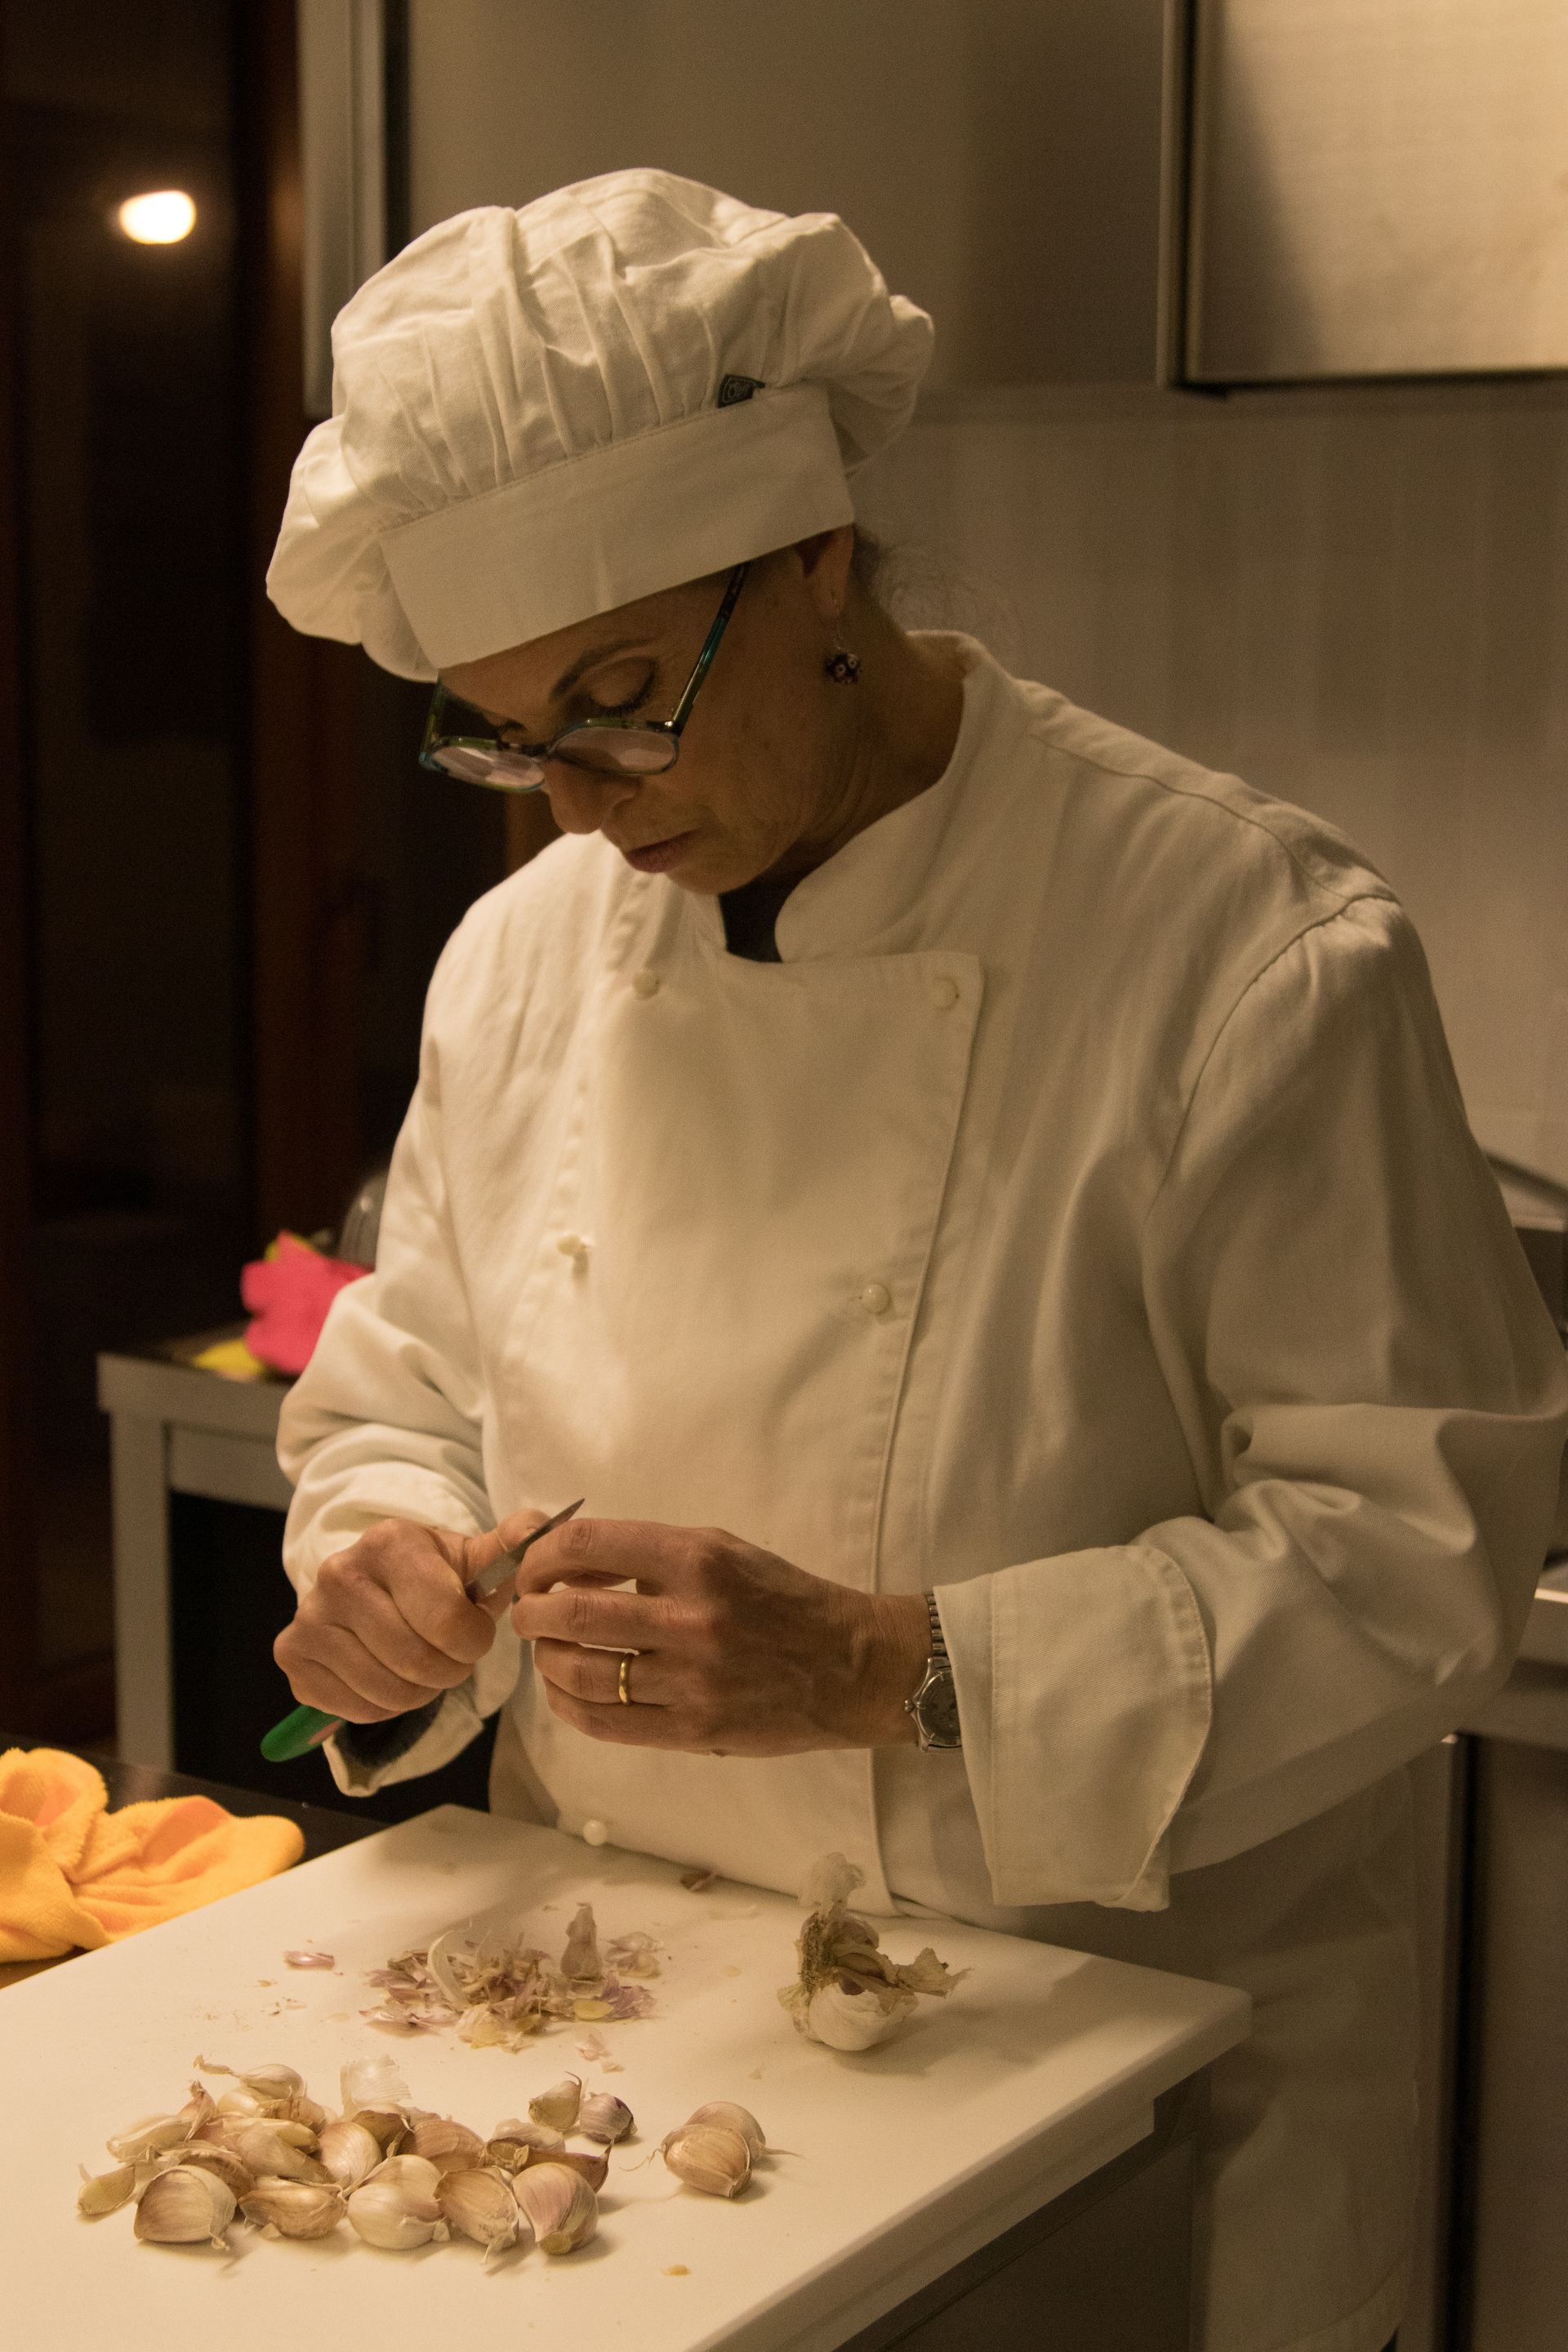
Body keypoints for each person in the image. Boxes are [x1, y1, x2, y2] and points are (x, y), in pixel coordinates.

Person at [265, 170, 1568, 2352]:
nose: (574, 801)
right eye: (504, 729)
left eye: (616, 699)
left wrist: (902, 1666)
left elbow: (1410, 1554)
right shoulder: (519, 962)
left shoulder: (1238, 946)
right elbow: (400, 1392)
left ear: (818, 564)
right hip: (630, 2095)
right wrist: (380, 1564)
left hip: (1132, 2099)